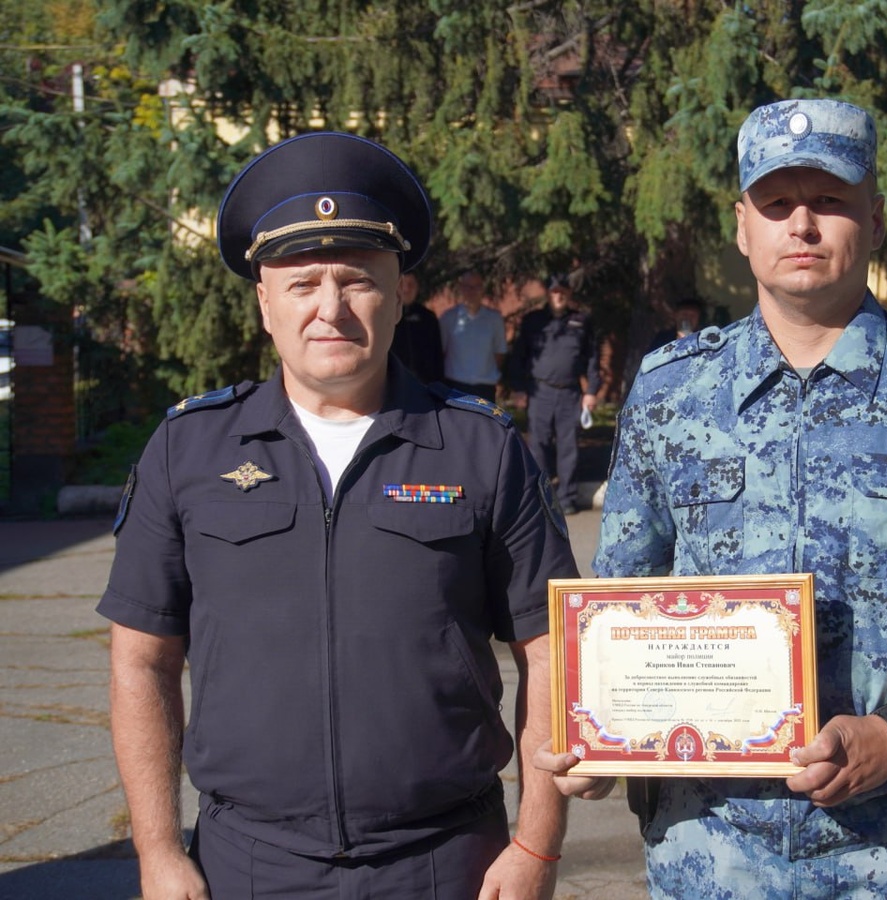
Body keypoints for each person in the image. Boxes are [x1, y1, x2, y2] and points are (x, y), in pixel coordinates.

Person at [537, 98, 887, 898]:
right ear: (742, 227)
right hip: (710, 850)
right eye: (777, 203)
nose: (802, 225)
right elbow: (621, 606)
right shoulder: (671, 390)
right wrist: (600, 743)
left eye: (829, 200)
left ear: (875, 220)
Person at [99, 132, 575, 900]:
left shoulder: (482, 449)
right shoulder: (188, 449)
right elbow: (141, 661)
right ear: (264, 302)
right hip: (246, 865)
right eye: (302, 284)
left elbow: (551, 653)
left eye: (357, 280)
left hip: (449, 862)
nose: (330, 308)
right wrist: (157, 850)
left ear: (399, 293)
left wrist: (536, 847)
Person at [509, 273, 601, 515]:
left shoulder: (581, 321)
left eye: (562, 292)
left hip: (570, 392)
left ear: (569, 294)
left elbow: (592, 359)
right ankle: (541, 497)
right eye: (554, 292)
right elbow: (519, 356)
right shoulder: (533, 321)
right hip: (539, 391)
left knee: (568, 446)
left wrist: (591, 391)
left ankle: (567, 498)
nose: (559, 296)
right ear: (548, 294)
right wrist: (518, 388)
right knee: (538, 445)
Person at [440, 268, 507, 401]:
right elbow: (442, 352)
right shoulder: (448, 318)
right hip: (455, 386)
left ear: (482, 289)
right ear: (460, 288)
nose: (471, 291)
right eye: (467, 286)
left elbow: (499, 353)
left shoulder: (494, 319)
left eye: (476, 287)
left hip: (485, 388)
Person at [391, 270, 444, 383]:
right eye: (404, 284)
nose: (407, 289)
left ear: (417, 287)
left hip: (424, 382)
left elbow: (437, 355)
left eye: (411, 284)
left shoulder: (428, 317)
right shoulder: (388, 316)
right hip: (394, 381)